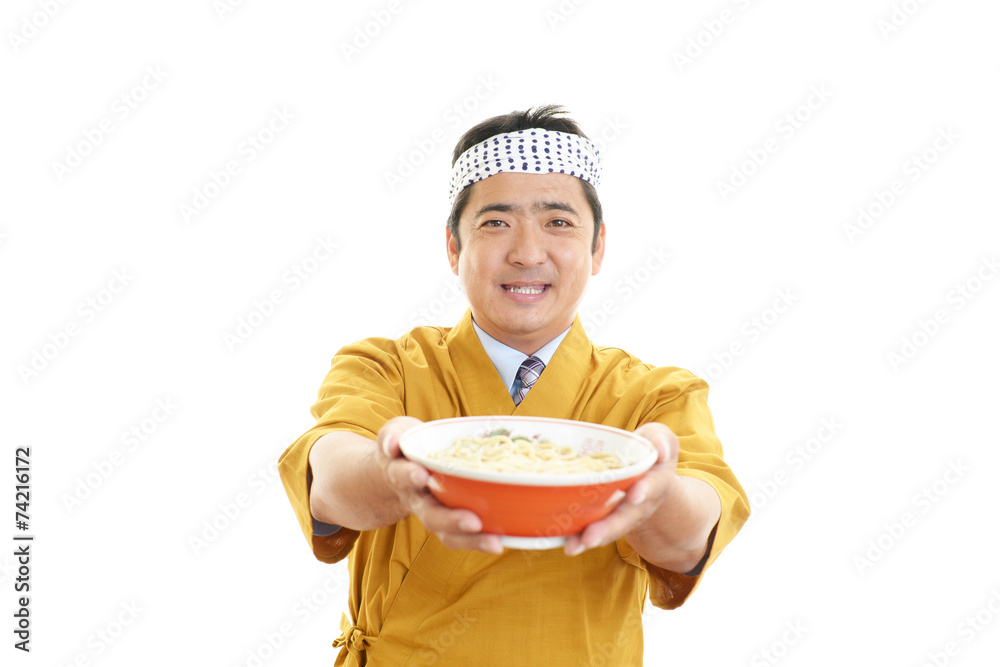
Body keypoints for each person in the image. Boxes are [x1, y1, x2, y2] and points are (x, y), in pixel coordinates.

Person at [278, 104, 750, 666]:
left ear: (598, 247)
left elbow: (695, 528)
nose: (527, 253)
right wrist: (391, 472)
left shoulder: (656, 395)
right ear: (454, 248)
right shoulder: (387, 367)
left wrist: (654, 494)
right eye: (496, 223)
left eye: (558, 223)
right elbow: (329, 474)